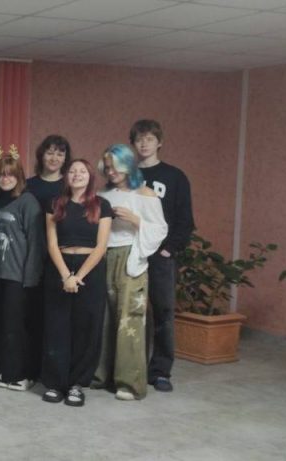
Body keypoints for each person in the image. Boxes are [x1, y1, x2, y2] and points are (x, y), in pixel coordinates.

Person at [95, 144, 167, 401]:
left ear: (128, 165)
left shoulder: (145, 193)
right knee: (103, 317)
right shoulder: (102, 194)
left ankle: (129, 383)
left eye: (116, 166)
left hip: (131, 256)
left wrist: (135, 220)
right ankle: (99, 374)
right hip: (103, 255)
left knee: (130, 319)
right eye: (107, 167)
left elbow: (160, 229)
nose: (111, 172)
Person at [41, 159, 112, 407]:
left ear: (90, 176)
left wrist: (78, 276)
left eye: (82, 171)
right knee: (57, 326)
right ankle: (55, 383)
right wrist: (65, 275)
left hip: (89, 268)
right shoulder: (55, 204)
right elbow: (51, 243)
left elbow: (101, 247)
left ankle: (77, 384)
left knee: (86, 328)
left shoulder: (102, 205)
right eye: (72, 171)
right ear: (66, 176)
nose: (77, 174)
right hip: (59, 266)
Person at [133, 119, 194, 393]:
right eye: (139, 139)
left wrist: (168, 249)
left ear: (160, 142)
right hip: (132, 253)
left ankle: (160, 372)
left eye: (149, 138)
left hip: (160, 256)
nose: (144, 144)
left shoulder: (175, 176)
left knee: (163, 313)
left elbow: (185, 220)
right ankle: (129, 368)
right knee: (128, 311)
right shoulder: (127, 175)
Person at [0, 154, 44, 392]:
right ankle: (5, 370)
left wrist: (30, 278)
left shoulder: (28, 202)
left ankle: (21, 374)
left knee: (15, 327)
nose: (5, 179)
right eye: (1, 175)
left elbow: (36, 243)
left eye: (10, 174)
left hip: (17, 277)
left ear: (19, 176)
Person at [24, 135, 73, 383]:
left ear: (66, 159)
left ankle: (54, 371)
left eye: (60, 154)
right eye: (50, 152)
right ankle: (31, 370)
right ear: (41, 155)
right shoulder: (28, 185)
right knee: (32, 315)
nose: (54, 158)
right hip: (31, 257)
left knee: (56, 318)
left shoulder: (70, 186)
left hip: (62, 260)